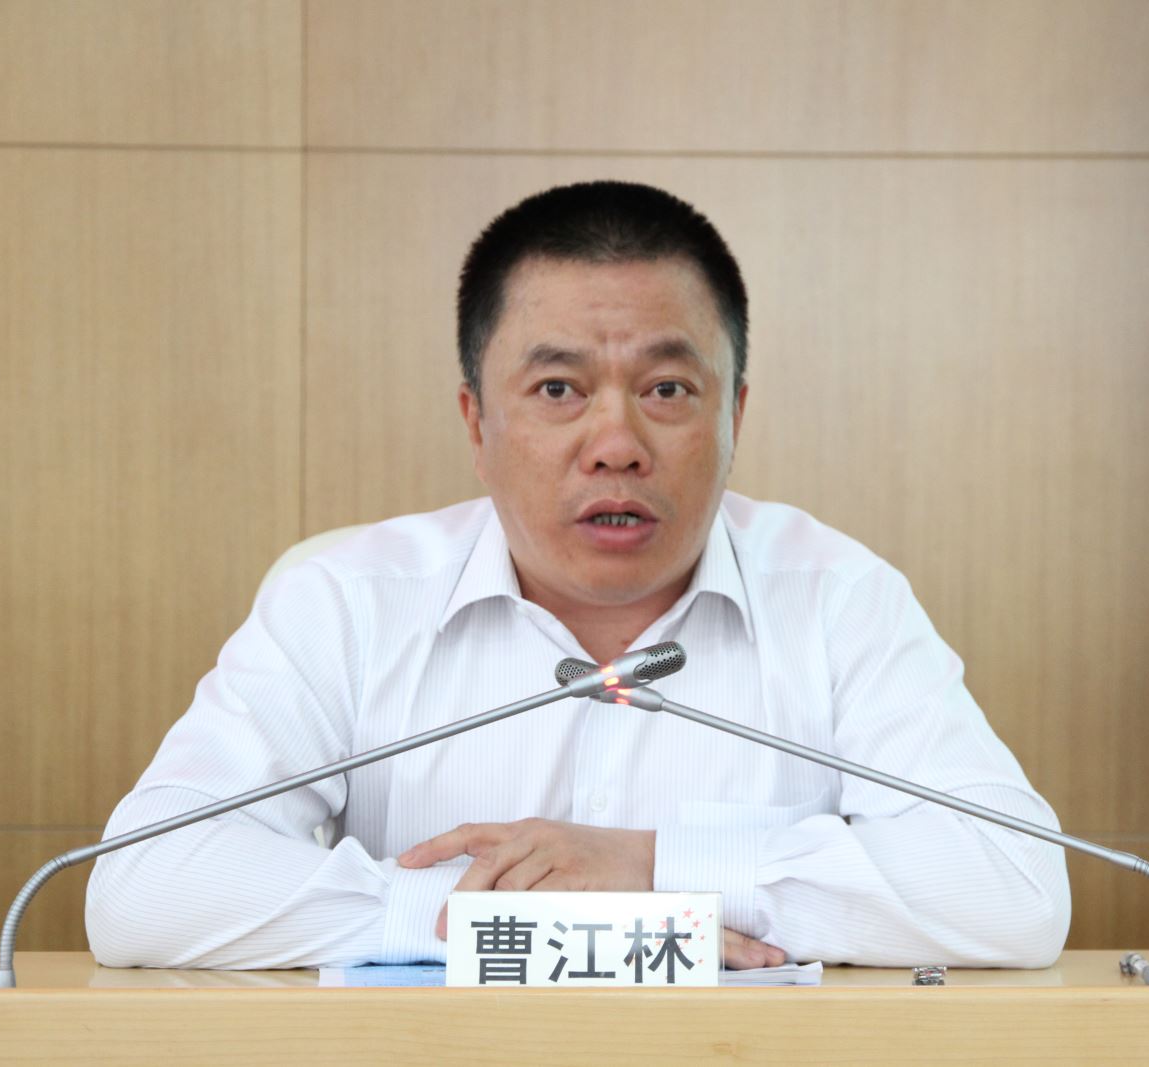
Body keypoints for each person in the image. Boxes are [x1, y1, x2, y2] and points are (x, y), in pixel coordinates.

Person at [85, 181, 1070, 971]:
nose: (615, 443)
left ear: (735, 415)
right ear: (477, 422)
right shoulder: (347, 601)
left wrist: (653, 866)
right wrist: (475, 912)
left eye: (667, 389)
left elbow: (1014, 888)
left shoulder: (838, 600)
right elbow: (144, 884)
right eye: (557, 388)